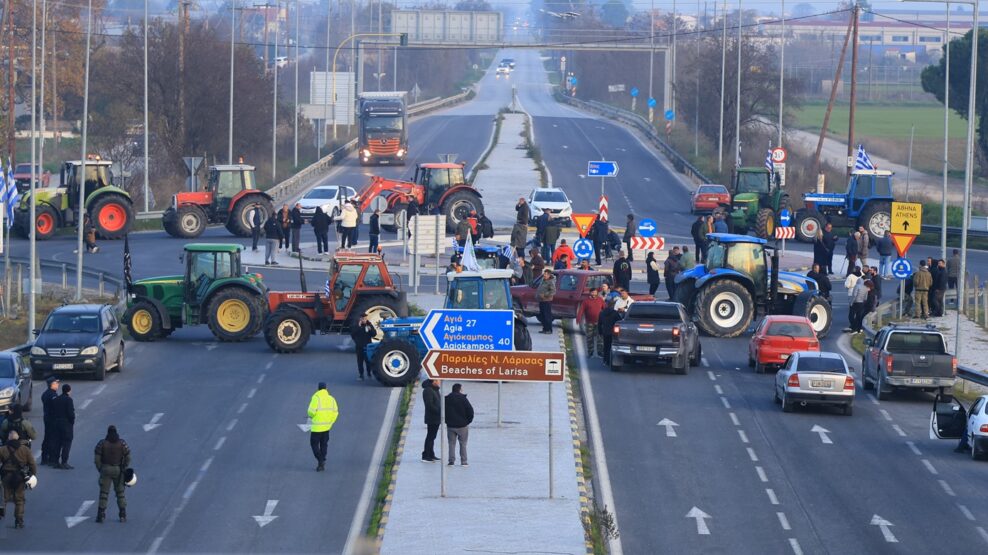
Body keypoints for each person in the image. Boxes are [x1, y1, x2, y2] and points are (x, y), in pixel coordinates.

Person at [94, 425, 131, 523]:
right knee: (120, 492)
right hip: (118, 470)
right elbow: (128, 457)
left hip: (105, 469)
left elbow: (97, 459)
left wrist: (101, 469)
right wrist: (124, 467)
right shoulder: (122, 443)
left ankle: (101, 514)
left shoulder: (102, 443)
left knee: (104, 493)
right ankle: (122, 513)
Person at [0, 430, 37, 528]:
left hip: (5, 477)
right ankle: (19, 520)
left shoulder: (2, 449)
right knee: (19, 499)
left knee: (3, 499)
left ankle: (1, 518)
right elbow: (32, 464)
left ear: (8, 438)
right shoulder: (25, 449)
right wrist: (32, 474)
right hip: (20, 477)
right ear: (18, 438)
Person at [307, 383, 339, 472]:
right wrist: (331, 422)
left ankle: (320, 460)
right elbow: (336, 412)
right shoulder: (331, 399)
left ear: (318, 389)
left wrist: (312, 417)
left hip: (316, 428)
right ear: (326, 389)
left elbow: (310, 412)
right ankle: (322, 460)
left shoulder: (316, 398)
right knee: (324, 444)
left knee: (314, 444)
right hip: (327, 427)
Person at [445, 384, 474, 466]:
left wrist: (447, 421)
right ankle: (464, 462)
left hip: (450, 425)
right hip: (462, 426)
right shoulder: (463, 399)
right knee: (463, 444)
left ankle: (451, 461)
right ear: (460, 390)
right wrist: (468, 421)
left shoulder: (446, 399)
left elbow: (442, 411)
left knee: (451, 444)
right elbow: (470, 411)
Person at [577, 288, 606, 357]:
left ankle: (600, 352)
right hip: (589, 322)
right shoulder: (586, 301)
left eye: (595, 292)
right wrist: (578, 318)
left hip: (599, 322)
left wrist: (606, 319)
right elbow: (581, 310)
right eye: (592, 292)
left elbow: (605, 308)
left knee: (600, 338)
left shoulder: (600, 300)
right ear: (590, 293)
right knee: (589, 338)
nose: (594, 294)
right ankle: (590, 352)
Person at [52, 383, 75, 469]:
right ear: (69, 391)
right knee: (67, 443)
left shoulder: (56, 399)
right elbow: (71, 414)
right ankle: (64, 462)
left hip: (56, 423)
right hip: (66, 424)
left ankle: (55, 461)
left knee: (57, 443)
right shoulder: (69, 400)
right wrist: (71, 422)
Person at [40, 376, 60, 466]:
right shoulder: (52, 395)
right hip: (52, 419)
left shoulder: (45, 393)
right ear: (52, 384)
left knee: (47, 437)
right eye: (56, 383)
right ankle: (51, 458)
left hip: (47, 418)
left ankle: (44, 457)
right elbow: (56, 407)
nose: (58, 384)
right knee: (52, 439)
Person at [421, 379, 441, 463]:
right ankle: (426, 455)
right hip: (432, 417)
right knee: (430, 436)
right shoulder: (428, 391)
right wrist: (439, 411)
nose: (439, 382)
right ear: (434, 381)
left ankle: (431, 454)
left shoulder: (435, 390)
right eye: (438, 380)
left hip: (436, 417)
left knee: (432, 436)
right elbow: (429, 405)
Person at [350, 315, 376, 381]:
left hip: (367, 346)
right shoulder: (356, 326)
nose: (364, 320)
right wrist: (358, 326)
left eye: (365, 319)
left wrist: (370, 329)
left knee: (368, 361)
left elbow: (374, 334)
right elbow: (353, 334)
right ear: (360, 319)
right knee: (360, 361)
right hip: (359, 346)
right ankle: (361, 375)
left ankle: (369, 373)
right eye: (362, 319)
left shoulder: (369, 325)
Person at [598, 297, 620, 364]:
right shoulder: (615, 313)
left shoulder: (602, 313)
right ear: (613, 305)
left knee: (605, 346)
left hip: (605, 331)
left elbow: (599, 323)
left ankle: (605, 360)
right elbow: (619, 321)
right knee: (611, 346)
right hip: (612, 333)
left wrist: (600, 332)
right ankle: (609, 360)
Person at [536, 269, 556, 334]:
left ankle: (549, 329)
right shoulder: (543, 280)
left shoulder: (550, 282)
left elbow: (553, 291)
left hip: (546, 301)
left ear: (549, 275)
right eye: (544, 274)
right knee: (542, 316)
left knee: (547, 316)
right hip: (541, 300)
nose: (544, 275)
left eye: (545, 274)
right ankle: (544, 329)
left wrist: (545, 295)